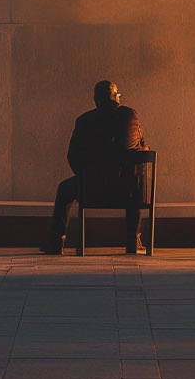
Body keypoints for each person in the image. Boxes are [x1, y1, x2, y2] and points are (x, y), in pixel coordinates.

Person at [41, 80, 146, 255]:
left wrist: (84, 177)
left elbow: (72, 155)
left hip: (91, 188)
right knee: (137, 183)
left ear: (96, 100)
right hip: (125, 189)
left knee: (64, 189)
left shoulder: (84, 121)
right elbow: (140, 148)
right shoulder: (130, 116)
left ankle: (56, 241)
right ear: (115, 97)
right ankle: (132, 241)